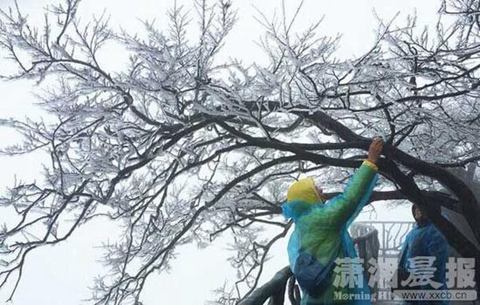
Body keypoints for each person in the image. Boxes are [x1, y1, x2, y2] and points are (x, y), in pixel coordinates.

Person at [282, 137, 383, 305]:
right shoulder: (319, 219)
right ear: (308, 196)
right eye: (315, 189)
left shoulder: (304, 222)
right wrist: (370, 162)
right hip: (331, 295)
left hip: (319, 294)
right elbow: (349, 200)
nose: (321, 190)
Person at [396, 204, 449, 305]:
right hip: (412, 287)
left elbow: (437, 265)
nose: (417, 211)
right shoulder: (415, 230)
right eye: (415, 208)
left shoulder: (436, 231)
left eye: (421, 207)